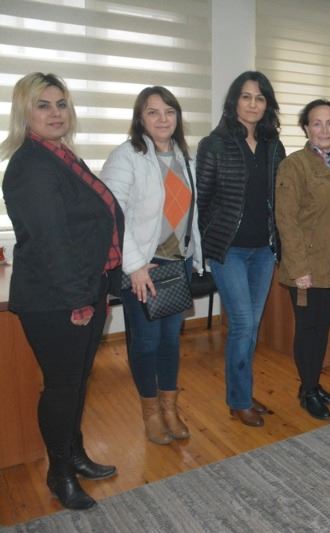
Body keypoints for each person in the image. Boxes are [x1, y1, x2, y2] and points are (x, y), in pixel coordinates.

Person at [0, 73, 124, 510]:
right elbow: (52, 242)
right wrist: (78, 302)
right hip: (58, 300)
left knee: (75, 383)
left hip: (84, 289)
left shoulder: (61, 156)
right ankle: (60, 474)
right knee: (61, 387)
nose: (55, 113)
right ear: (25, 113)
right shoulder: (31, 165)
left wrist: (98, 289)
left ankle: (75, 454)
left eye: (61, 104)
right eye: (43, 105)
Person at [100, 86, 203, 444]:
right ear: (140, 118)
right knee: (146, 342)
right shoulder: (126, 156)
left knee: (170, 341)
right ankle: (151, 415)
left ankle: (170, 409)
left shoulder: (184, 156)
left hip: (178, 264)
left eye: (169, 111)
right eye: (153, 112)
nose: (163, 119)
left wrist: (196, 257)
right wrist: (134, 266)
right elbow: (112, 214)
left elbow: (191, 213)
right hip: (144, 266)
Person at [196, 71, 286, 427]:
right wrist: (211, 239)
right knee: (243, 324)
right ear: (234, 101)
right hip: (229, 250)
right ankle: (238, 400)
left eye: (260, 98)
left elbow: (278, 196)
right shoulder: (214, 144)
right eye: (246, 97)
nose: (253, 104)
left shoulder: (274, 145)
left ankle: (243, 392)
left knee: (252, 325)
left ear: (267, 105)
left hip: (264, 249)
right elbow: (202, 200)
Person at [275, 99, 330, 420]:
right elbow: (286, 220)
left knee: (321, 330)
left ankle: (313, 384)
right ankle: (308, 390)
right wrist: (299, 269)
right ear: (306, 128)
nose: (324, 129)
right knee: (309, 330)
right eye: (317, 123)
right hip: (307, 268)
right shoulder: (294, 165)